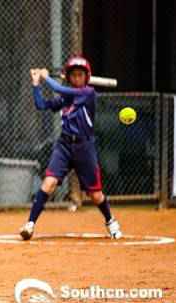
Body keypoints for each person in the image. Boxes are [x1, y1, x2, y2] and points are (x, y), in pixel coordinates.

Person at [19, 56, 122, 240]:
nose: (77, 79)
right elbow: (41, 105)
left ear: (86, 77)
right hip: (64, 146)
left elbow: (57, 87)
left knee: (95, 195)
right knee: (48, 184)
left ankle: (110, 221)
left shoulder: (88, 93)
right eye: (73, 75)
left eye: (80, 75)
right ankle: (30, 224)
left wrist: (45, 77)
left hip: (85, 147)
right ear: (68, 77)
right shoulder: (65, 98)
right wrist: (36, 84)